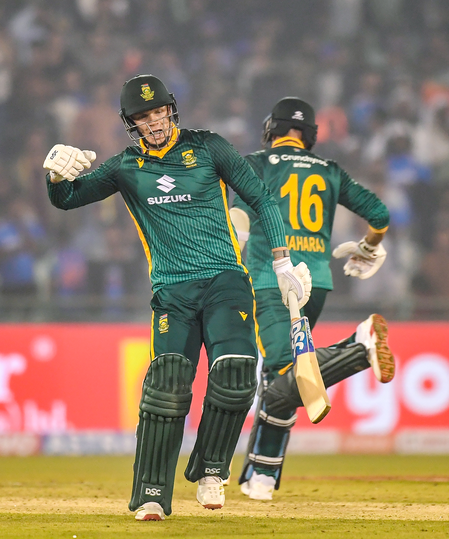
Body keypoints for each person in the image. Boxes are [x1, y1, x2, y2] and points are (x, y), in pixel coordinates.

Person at [43, 75, 312, 521]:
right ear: (131, 123)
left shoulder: (209, 147)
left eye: (158, 112)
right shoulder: (125, 166)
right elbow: (67, 199)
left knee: (237, 373)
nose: (154, 122)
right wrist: (55, 175)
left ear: (171, 109)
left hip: (226, 281)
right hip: (172, 291)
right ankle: (151, 493)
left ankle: (211, 469)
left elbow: (263, 199)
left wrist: (282, 262)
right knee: (166, 387)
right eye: (143, 117)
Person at [230, 97, 395, 501]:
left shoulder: (256, 164)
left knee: (285, 371)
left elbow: (239, 219)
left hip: (271, 279)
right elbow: (379, 215)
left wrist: (232, 259)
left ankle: (358, 347)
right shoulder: (330, 169)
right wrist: (369, 247)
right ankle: (261, 475)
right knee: (278, 377)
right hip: (316, 283)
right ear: (310, 134)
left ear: (272, 128)